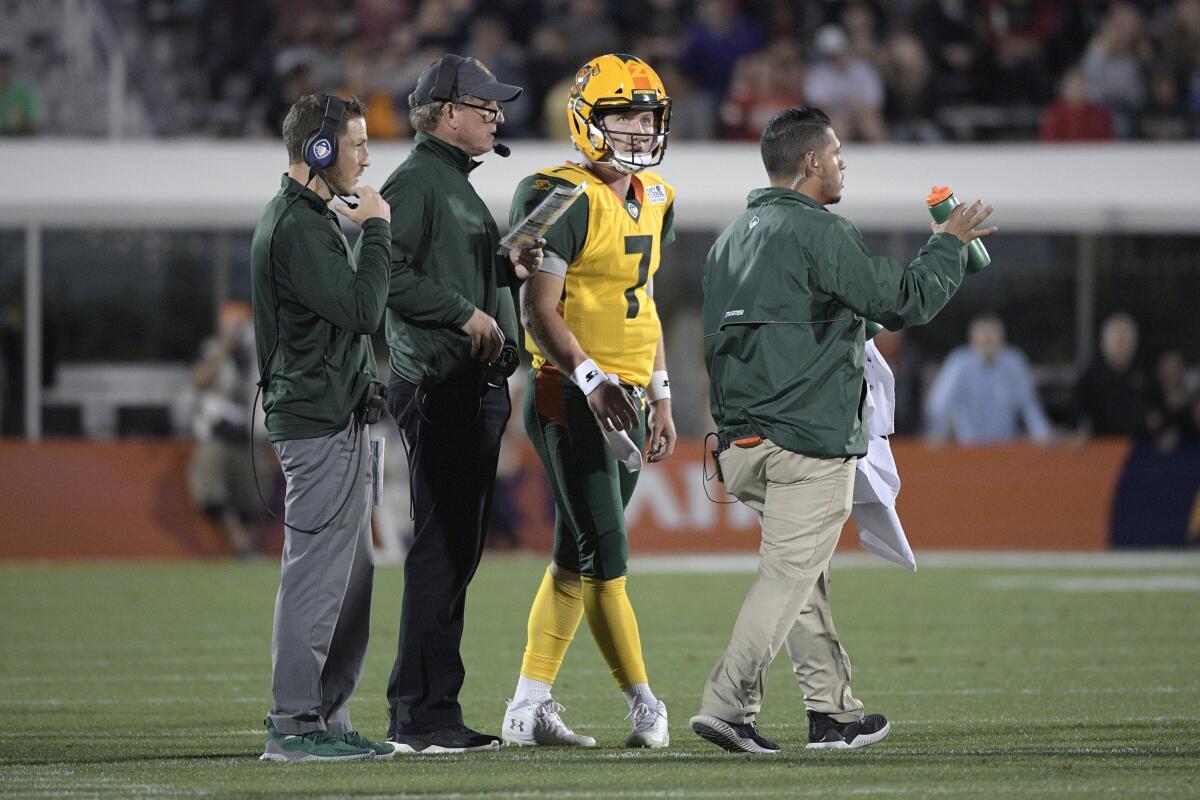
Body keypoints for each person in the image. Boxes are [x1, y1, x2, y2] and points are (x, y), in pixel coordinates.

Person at [693, 106, 995, 754]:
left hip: (740, 444)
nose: (842, 165)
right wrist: (950, 243)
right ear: (811, 163)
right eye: (836, 155)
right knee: (788, 577)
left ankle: (832, 713)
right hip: (805, 438)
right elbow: (900, 300)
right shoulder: (820, 232)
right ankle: (728, 705)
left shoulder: (727, 242)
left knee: (802, 576)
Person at [499, 53, 677, 750]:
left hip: (628, 395)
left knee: (575, 556)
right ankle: (646, 704)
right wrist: (593, 379)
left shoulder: (658, 196)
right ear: (586, 120)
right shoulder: (558, 194)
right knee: (608, 553)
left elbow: (646, 303)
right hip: (570, 393)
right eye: (622, 115)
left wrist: (660, 393)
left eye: (645, 116)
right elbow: (538, 309)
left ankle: (527, 706)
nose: (636, 130)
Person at [372, 54, 543, 755]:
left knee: (455, 549)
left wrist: (503, 270)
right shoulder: (416, 182)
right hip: (444, 387)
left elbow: (437, 268)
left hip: (467, 385)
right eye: (484, 105)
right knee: (443, 549)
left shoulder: (450, 184)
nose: (496, 115)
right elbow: (381, 274)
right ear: (446, 113)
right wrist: (463, 312)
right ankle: (421, 716)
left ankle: (430, 708)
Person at [250, 92, 394, 762]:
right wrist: (380, 229)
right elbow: (364, 310)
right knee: (316, 576)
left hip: (337, 416)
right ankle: (294, 725)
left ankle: (326, 717)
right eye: (358, 144)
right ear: (318, 150)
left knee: (349, 579)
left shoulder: (305, 217)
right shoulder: (302, 227)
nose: (367, 157)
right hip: (318, 424)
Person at [187, 300, 274, 558]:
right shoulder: (211, 349)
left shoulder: (260, 353)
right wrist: (224, 350)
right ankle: (241, 544)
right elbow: (199, 381)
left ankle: (248, 545)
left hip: (250, 436)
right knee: (211, 485)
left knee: (258, 493)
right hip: (218, 433)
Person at [925, 314, 1052, 445]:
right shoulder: (959, 363)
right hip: (970, 449)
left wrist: (1042, 435)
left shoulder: (1014, 362)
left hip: (1005, 448)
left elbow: (1029, 404)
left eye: (992, 337)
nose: (988, 341)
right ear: (973, 340)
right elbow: (940, 403)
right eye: (984, 338)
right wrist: (937, 434)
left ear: (1002, 339)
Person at [1074, 312, 1148, 437]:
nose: (1122, 344)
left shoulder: (1145, 373)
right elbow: (1077, 412)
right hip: (1103, 449)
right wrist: (1080, 428)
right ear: (1104, 342)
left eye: (1125, 339)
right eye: (1117, 339)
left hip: (1138, 448)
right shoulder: (1091, 376)